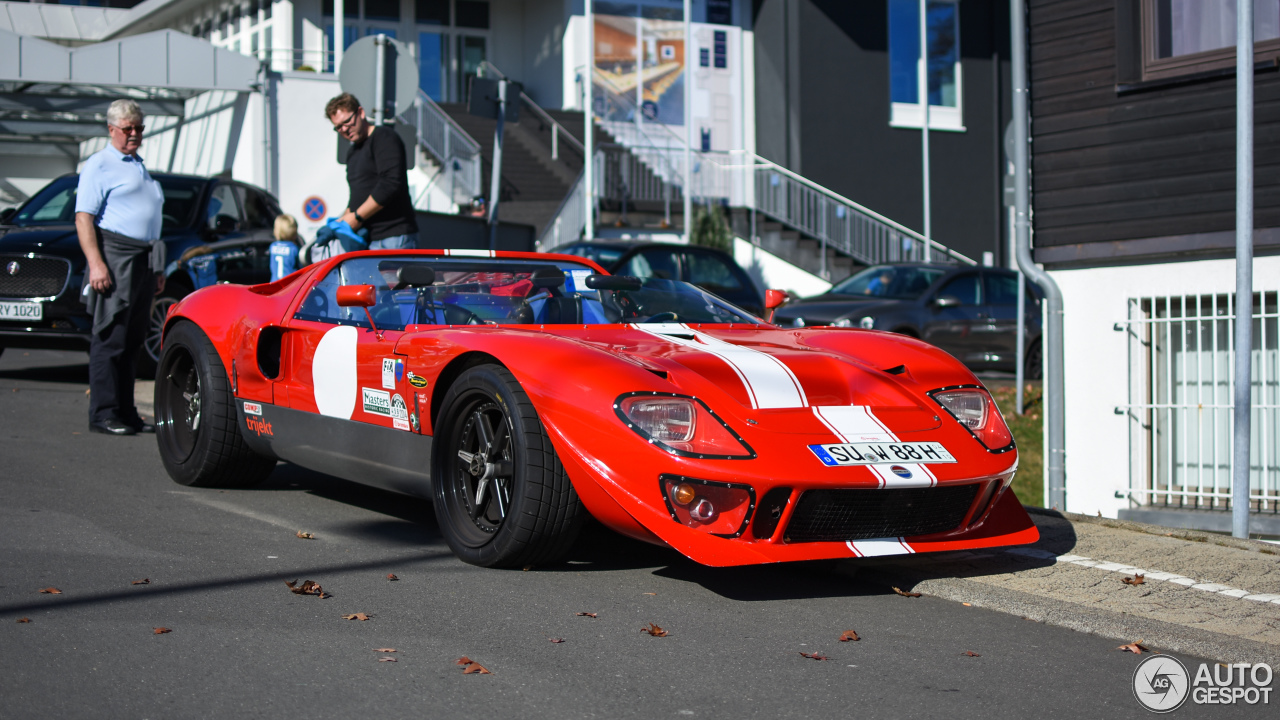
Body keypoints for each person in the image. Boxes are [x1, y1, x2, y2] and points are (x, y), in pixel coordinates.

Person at [75, 99, 166, 436]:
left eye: (139, 128)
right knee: (110, 336)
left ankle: (127, 413)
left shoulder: (137, 165)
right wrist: (96, 264)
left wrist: (156, 270)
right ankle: (103, 413)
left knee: (132, 340)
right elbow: (84, 217)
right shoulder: (100, 164)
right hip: (115, 259)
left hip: (143, 261)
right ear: (111, 129)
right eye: (127, 128)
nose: (134, 134)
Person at [324, 93, 419, 250]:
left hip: (394, 237)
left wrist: (357, 218)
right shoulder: (353, 152)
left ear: (360, 113)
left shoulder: (384, 138)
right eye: (339, 127)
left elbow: (390, 183)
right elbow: (357, 197)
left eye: (347, 122)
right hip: (368, 238)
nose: (345, 129)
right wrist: (338, 224)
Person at [269, 213, 302, 281]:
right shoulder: (293, 248)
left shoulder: (272, 246)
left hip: (274, 283)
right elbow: (301, 268)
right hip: (289, 284)